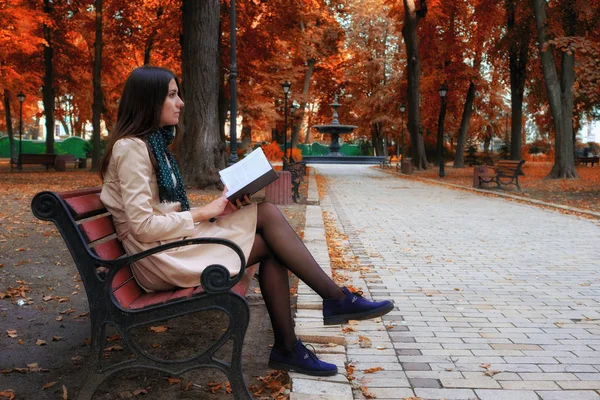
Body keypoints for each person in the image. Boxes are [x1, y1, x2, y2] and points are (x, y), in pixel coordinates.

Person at [100, 66, 394, 377]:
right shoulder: (131, 149)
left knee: (265, 222)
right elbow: (142, 226)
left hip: (169, 246)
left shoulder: (150, 144)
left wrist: (217, 210)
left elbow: (157, 213)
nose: (181, 102)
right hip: (158, 259)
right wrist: (204, 212)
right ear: (149, 101)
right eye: (172, 95)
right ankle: (324, 310)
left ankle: (298, 337)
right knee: (266, 221)